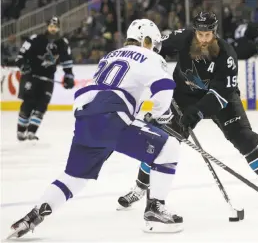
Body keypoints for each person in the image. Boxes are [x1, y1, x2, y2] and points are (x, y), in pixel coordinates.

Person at [7, 19, 183, 239]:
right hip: (112, 116)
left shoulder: (108, 56)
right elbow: (164, 88)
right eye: (153, 44)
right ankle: (155, 209)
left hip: (86, 118)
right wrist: (159, 114)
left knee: (74, 177)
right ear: (146, 40)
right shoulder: (149, 56)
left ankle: (33, 215)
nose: (155, 49)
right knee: (169, 148)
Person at [118, 12, 258, 209]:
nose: (204, 39)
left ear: (214, 33)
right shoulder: (183, 37)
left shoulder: (226, 55)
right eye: (200, 34)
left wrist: (198, 111)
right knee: (161, 142)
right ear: (195, 32)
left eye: (208, 35)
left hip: (220, 99)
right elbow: (156, 47)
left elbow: (221, 94)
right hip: (185, 97)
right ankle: (139, 188)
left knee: (245, 138)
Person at [16, 16, 75, 141]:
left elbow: (66, 60)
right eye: (51, 26)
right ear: (47, 27)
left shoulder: (62, 43)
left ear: (58, 28)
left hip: (48, 78)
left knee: (42, 105)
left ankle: (31, 132)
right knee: (29, 103)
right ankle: (21, 131)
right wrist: (23, 65)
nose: (53, 29)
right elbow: (21, 55)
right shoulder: (35, 39)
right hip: (31, 76)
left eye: (56, 27)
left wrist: (69, 75)